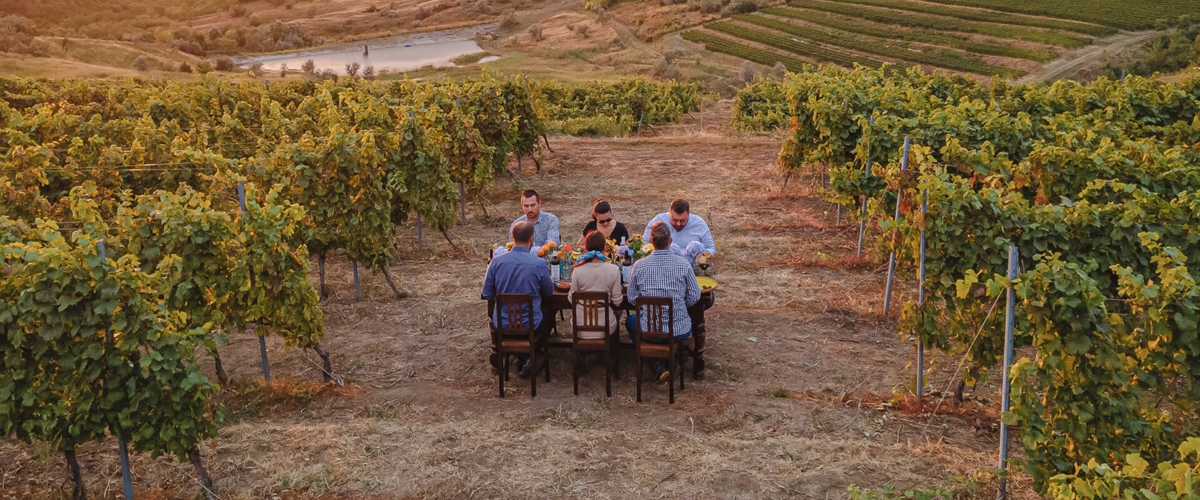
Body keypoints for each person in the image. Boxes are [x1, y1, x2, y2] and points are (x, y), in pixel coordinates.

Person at [627, 221, 702, 381]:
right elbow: (695, 295)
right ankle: (670, 359)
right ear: (670, 241)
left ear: (651, 242)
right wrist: (681, 304)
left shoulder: (639, 266)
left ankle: (654, 361)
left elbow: (632, 298)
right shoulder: (683, 264)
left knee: (630, 322)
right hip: (679, 330)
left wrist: (645, 305)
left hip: (649, 329)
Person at [483, 221, 555, 378]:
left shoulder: (496, 262)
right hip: (530, 324)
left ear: (512, 239)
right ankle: (532, 353)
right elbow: (549, 292)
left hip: (502, 323)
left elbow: (487, 293)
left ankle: (521, 355)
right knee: (549, 314)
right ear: (531, 239)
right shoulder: (539, 264)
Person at [568, 231, 624, 338]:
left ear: (585, 248)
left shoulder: (578, 270)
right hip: (606, 326)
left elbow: (571, 299)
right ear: (604, 248)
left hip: (579, 326)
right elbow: (617, 302)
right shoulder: (614, 270)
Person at [642, 199, 716, 256]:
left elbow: (711, 248)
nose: (678, 224)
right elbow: (644, 244)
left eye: (682, 220)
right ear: (669, 213)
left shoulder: (699, 224)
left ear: (688, 214)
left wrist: (702, 257)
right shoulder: (657, 222)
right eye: (674, 220)